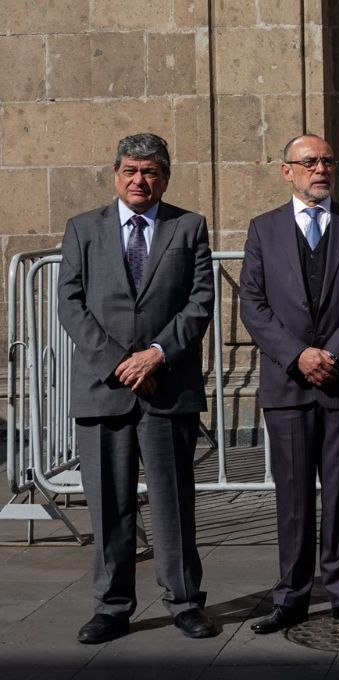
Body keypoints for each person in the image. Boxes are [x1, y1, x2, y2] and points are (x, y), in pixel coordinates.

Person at [58, 133, 217, 643]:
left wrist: (155, 355)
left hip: (167, 387)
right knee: (109, 506)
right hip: (103, 390)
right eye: (129, 170)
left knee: (174, 503)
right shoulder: (83, 229)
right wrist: (118, 362)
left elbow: (199, 302)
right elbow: (71, 304)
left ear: (165, 178)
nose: (139, 180)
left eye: (149, 172)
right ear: (116, 174)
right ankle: (112, 606)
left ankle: (186, 602)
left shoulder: (187, 227)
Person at [238, 134, 339, 634]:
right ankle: (292, 595)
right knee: (294, 497)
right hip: (288, 383)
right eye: (308, 162)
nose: (319, 168)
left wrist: (333, 353)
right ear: (286, 171)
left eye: (326, 160)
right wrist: (298, 355)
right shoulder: (263, 230)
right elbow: (253, 307)